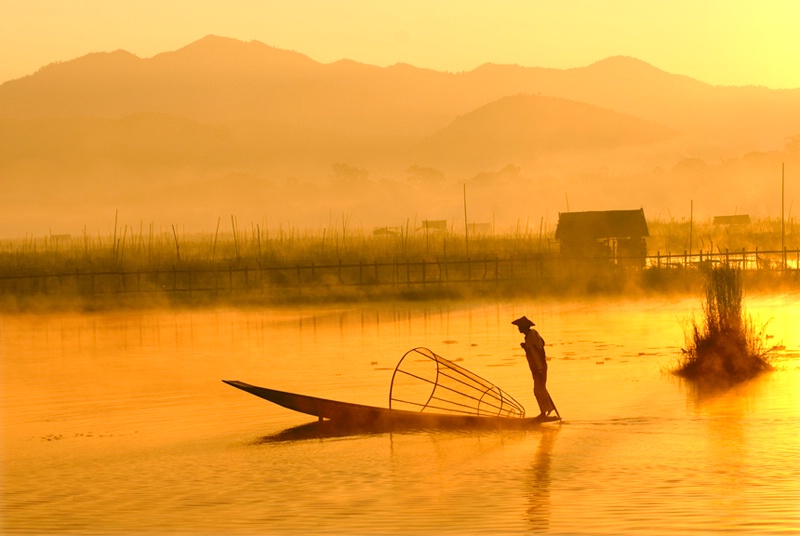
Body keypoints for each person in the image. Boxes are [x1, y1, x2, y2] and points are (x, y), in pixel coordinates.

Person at [512, 315, 556, 419]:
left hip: (539, 367)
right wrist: (525, 346)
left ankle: (544, 412)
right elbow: (541, 344)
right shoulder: (532, 334)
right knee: (540, 389)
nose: (518, 328)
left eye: (519, 326)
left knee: (538, 390)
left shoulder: (531, 336)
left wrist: (539, 370)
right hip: (538, 367)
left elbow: (535, 355)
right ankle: (546, 410)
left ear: (524, 327)